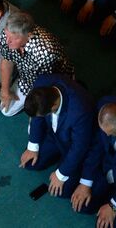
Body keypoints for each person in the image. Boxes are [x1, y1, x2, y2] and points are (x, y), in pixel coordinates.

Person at [20, 75, 103, 214]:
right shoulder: (41, 85)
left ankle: (63, 164)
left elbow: (79, 148)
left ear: (53, 106)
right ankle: (57, 158)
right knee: (30, 163)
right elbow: (37, 115)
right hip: (55, 135)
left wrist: (61, 174)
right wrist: (32, 146)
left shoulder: (80, 111)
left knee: (60, 191)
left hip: (73, 144)